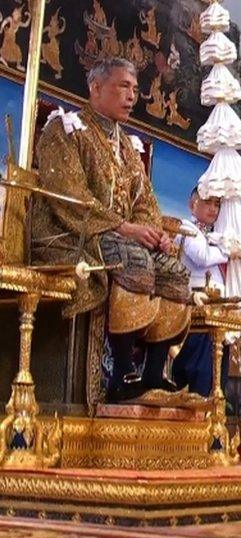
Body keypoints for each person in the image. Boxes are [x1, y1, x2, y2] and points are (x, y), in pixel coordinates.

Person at [31, 57, 190, 403]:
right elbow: (69, 195)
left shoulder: (129, 148)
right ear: (96, 87)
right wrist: (123, 228)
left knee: (175, 272)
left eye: (135, 89)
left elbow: (145, 202)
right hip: (73, 234)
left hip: (120, 237)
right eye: (123, 86)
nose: (132, 96)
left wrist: (153, 233)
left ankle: (152, 375)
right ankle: (119, 376)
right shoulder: (66, 129)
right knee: (132, 260)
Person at [171, 186, 235, 396]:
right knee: (198, 372)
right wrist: (228, 251)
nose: (213, 209)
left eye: (217, 204)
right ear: (193, 204)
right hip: (194, 312)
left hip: (215, 317)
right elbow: (202, 257)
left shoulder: (212, 236)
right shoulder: (185, 228)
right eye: (208, 202)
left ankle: (210, 416)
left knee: (218, 376)